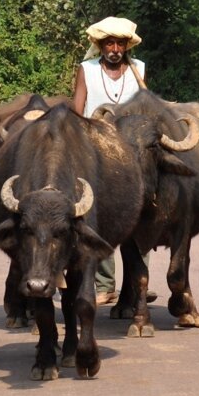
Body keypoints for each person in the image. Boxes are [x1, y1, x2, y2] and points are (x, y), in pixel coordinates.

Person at [73, 16, 155, 306]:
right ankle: (105, 284)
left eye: (120, 43)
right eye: (109, 43)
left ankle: (136, 282)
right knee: (103, 216)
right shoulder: (87, 69)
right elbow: (78, 109)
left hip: (133, 151)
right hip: (99, 148)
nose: (115, 48)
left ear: (126, 46)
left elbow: (147, 109)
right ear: (101, 46)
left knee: (139, 212)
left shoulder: (139, 69)